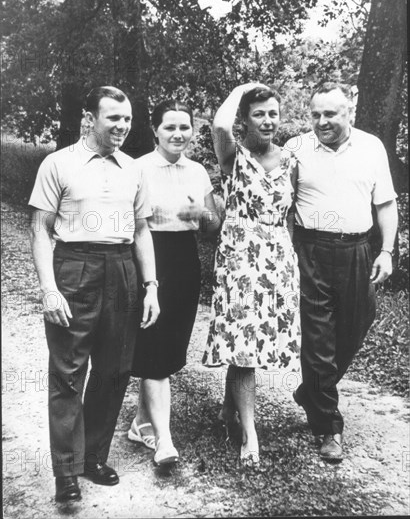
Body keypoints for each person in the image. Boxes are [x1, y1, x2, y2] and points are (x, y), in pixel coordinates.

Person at [28, 86, 160, 503]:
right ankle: (65, 471)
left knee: (115, 368)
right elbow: (39, 228)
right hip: (74, 266)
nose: (122, 127)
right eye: (113, 119)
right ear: (90, 118)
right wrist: (49, 289)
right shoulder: (58, 163)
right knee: (68, 370)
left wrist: (151, 286)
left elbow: (141, 231)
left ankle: (93, 457)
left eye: (127, 120)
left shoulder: (133, 169)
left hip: (121, 269)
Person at [286, 81, 398, 462]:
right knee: (318, 338)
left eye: (330, 114)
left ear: (349, 110)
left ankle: (313, 390)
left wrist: (386, 250)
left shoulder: (371, 147)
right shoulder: (296, 149)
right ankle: (328, 426)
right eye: (315, 114)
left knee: (358, 320)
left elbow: (384, 203)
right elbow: (280, 204)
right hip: (311, 250)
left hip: (357, 251)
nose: (321, 121)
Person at [202, 83, 301, 465]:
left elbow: (291, 217)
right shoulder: (234, 157)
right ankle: (251, 434)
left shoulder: (292, 161)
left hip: (277, 258)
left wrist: (290, 264)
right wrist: (243, 88)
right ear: (244, 119)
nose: (267, 120)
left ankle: (230, 413)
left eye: (273, 113)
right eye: (258, 113)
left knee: (254, 344)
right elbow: (218, 126)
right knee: (242, 345)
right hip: (240, 257)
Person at [127, 100, 220, 466]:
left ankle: (140, 421)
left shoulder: (197, 171)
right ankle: (164, 441)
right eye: (170, 127)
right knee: (153, 346)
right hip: (148, 257)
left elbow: (213, 227)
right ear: (155, 130)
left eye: (185, 127)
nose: (178, 133)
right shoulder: (138, 169)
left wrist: (204, 213)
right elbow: (129, 227)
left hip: (185, 259)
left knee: (167, 347)